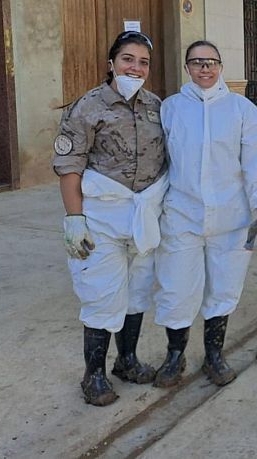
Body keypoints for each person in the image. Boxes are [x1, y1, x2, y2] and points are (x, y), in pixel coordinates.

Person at [53, 30, 167, 406]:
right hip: (101, 218)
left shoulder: (155, 106)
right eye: (128, 60)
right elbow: (70, 165)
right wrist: (75, 219)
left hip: (142, 217)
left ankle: (127, 360)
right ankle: (94, 374)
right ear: (111, 64)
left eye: (143, 62)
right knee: (102, 294)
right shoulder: (88, 106)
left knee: (137, 292)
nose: (135, 68)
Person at [153, 40, 257, 388]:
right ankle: (174, 356)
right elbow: (158, 161)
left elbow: (256, 159)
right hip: (181, 216)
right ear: (187, 68)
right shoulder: (172, 109)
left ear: (221, 66)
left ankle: (214, 355)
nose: (204, 69)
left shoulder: (240, 110)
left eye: (210, 62)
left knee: (223, 287)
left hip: (230, 218)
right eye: (196, 62)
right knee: (177, 289)